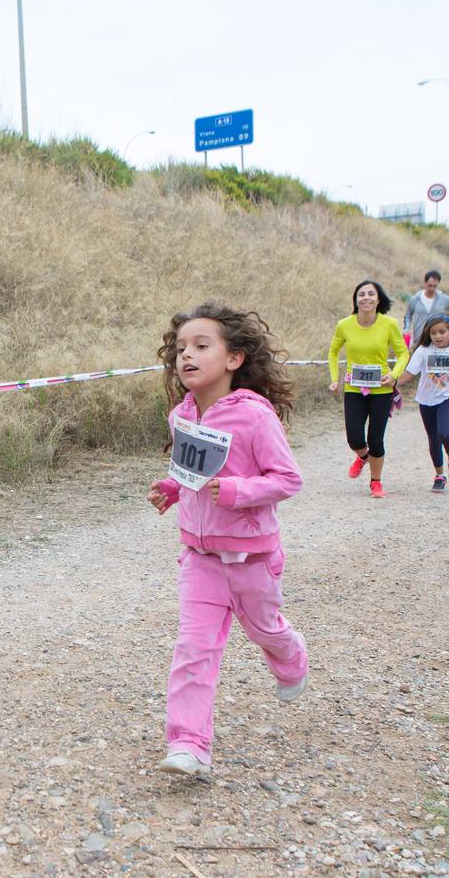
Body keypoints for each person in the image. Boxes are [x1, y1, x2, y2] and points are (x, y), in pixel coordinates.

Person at [146, 304, 307, 779]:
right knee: (193, 648)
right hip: (200, 557)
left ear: (234, 358)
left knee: (265, 629)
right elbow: (194, 473)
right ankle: (188, 744)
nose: (186, 356)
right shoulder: (182, 415)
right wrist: (174, 489)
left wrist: (238, 492)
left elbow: (288, 479)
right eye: (180, 349)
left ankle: (290, 656)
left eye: (201, 346)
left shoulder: (255, 417)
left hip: (253, 558)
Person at [328, 280, 410, 498]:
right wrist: (335, 379)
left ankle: (376, 482)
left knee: (376, 439)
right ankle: (363, 456)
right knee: (354, 438)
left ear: (378, 299)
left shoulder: (389, 324)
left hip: (381, 390)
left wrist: (393, 375)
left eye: (370, 294)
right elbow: (333, 352)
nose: (365, 297)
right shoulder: (344, 324)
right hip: (355, 389)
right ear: (356, 299)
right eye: (361, 294)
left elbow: (404, 353)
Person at [397, 315, 449, 492]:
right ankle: (439, 475)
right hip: (426, 400)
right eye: (433, 333)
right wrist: (392, 383)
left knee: (444, 432)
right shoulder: (424, 350)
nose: (438, 336)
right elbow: (409, 373)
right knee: (433, 438)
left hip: (448, 397)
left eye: (442, 332)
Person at [403, 270, 449, 348]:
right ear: (424, 283)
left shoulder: (444, 299)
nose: (432, 288)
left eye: (435, 286)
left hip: (437, 342)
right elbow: (408, 315)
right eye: (430, 285)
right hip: (418, 341)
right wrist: (407, 329)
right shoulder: (415, 299)